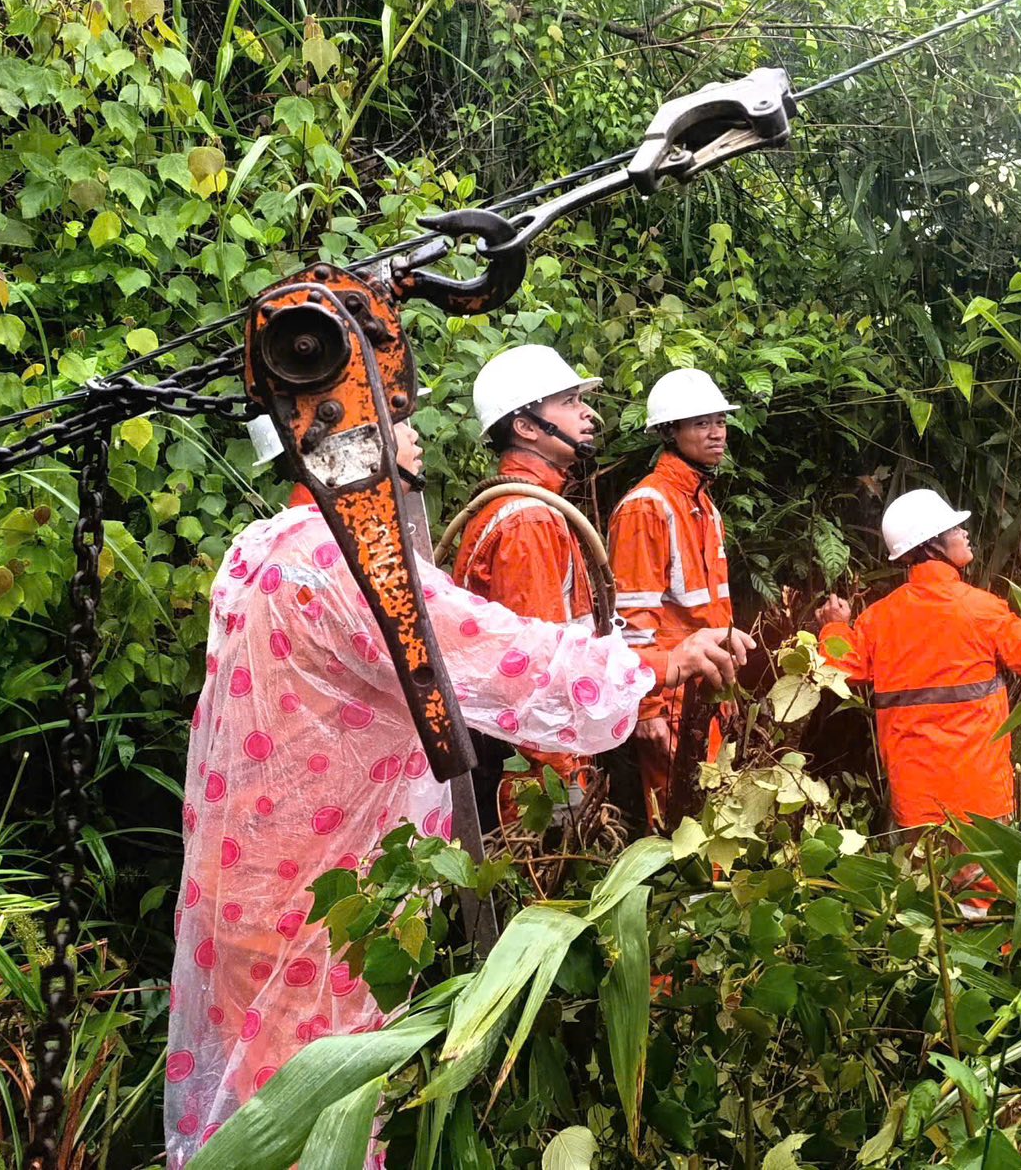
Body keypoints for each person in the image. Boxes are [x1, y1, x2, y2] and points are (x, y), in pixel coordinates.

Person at [165, 417, 741, 1165]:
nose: (413, 435)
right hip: (318, 900)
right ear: (344, 439)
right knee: (316, 1109)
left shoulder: (259, 547)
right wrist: (660, 666)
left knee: (255, 1105)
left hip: (248, 877)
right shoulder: (345, 561)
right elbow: (501, 656)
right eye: (392, 420)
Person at [816, 488, 1021, 838]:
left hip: (915, 802)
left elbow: (840, 668)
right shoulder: (983, 609)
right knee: (983, 890)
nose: (965, 533)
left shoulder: (879, 619)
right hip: (982, 799)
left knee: (928, 890)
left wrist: (834, 625)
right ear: (931, 544)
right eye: (955, 530)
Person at [449, 344, 605, 828]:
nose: (587, 414)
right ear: (526, 426)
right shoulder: (528, 521)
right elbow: (533, 679)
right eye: (568, 402)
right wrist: (561, 792)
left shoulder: (528, 508)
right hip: (533, 782)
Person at [609, 367, 756, 824]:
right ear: (670, 432)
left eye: (720, 421)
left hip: (706, 693)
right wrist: (647, 706)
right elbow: (632, 617)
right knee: (681, 825)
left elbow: (713, 613)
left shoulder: (703, 505)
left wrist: (727, 692)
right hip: (671, 697)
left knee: (717, 823)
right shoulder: (647, 505)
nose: (717, 434)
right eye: (701, 424)